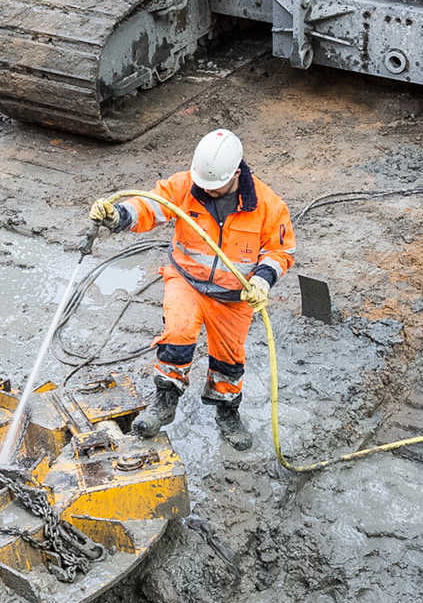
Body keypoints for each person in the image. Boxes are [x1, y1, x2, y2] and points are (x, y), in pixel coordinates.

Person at [90, 129, 295, 451]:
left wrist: (261, 280)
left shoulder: (268, 205)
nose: (208, 192)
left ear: (236, 174)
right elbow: (150, 207)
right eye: (204, 186)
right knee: (178, 333)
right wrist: (119, 215)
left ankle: (227, 412)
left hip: (233, 297)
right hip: (186, 280)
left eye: (216, 187)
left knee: (229, 360)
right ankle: (165, 401)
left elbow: (280, 251)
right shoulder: (187, 185)